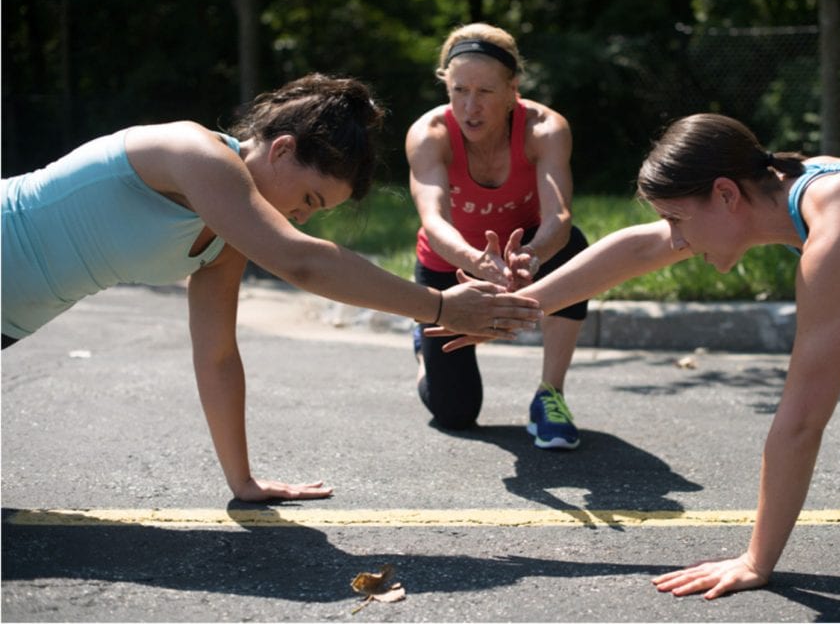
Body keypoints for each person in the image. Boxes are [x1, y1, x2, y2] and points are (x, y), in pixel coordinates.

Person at [430, 112, 840, 598]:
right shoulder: (784, 188)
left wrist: (756, 560)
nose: (676, 238)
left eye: (679, 220)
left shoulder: (837, 232)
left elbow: (801, 422)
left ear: (725, 194)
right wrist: (519, 307)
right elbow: (639, 250)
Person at [1, 72, 542, 502]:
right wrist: (441, 304)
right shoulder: (194, 153)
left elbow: (216, 356)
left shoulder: (226, 240)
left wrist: (243, 482)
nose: (302, 218)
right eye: (308, 199)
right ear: (281, 149)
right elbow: (300, 262)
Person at [405, 23, 590, 448]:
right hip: (451, 265)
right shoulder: (428, 135)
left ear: (513, 89)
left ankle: (550, 395)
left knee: (574, 249)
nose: (470, 107)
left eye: (485, 92)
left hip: (527, 250)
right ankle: (423, 348)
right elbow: (434, 223)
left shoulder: (545, 129)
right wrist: (478, 262)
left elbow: (558, 216)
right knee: (455, 413)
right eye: (458, 90)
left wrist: (532, 256)